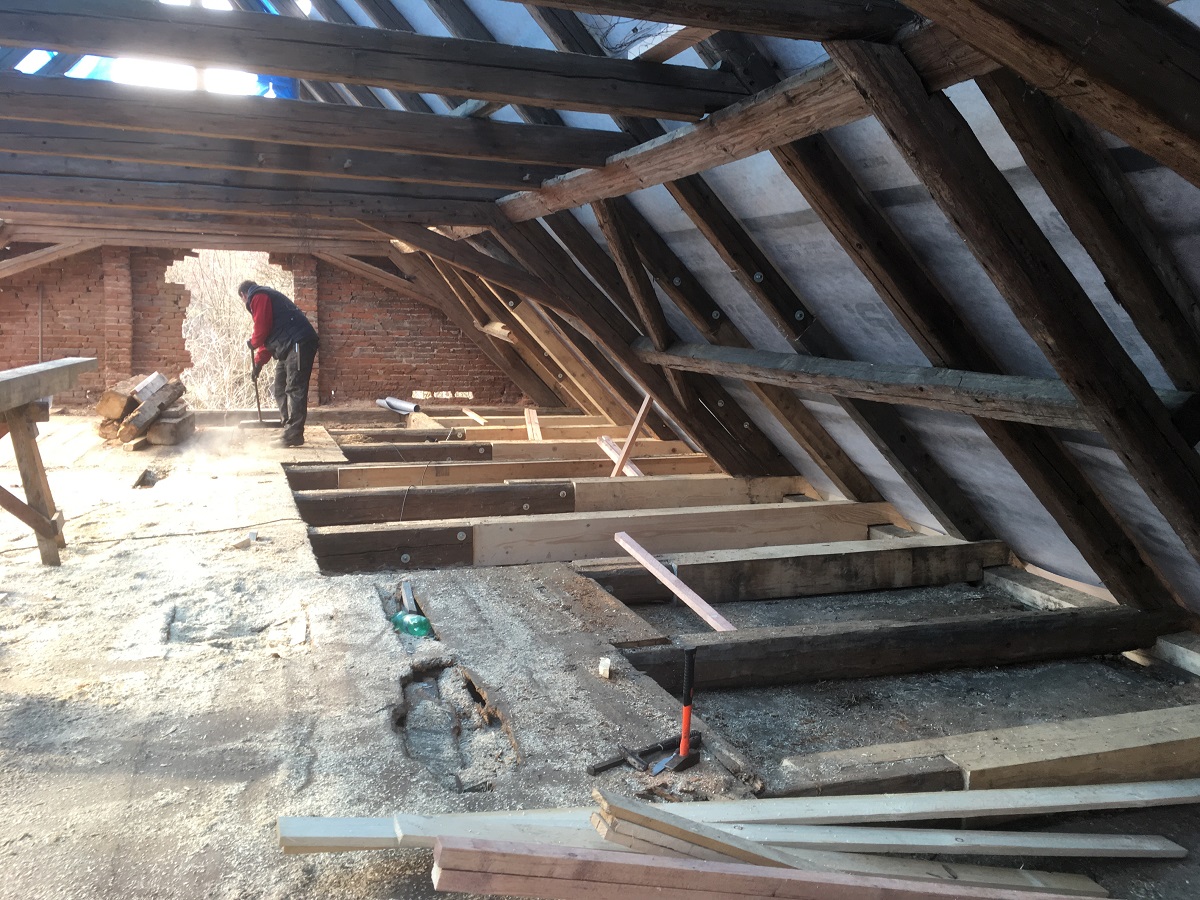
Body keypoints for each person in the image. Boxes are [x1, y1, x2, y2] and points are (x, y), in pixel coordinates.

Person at [239, 279, 319, 447]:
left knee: (295, 387)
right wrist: (258, 364)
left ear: (243, 295)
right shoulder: (264, 298)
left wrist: (253, 343)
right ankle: (289, 428)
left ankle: (293, 434)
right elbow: (267, 338)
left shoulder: (258, 296)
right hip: (288, 347)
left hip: (298, 343)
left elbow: (261, 330)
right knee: (279, 388)